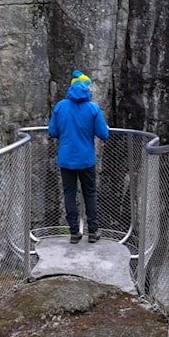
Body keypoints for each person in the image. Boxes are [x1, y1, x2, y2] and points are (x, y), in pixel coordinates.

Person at [48, 70, 110, 243]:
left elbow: (53, 131)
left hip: (66, 159)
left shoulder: (60, 106)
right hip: (86, 160)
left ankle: (74, 232)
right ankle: (93, 231)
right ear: (86, 89)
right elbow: (103, 134)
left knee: (69, 194)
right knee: (89, 194)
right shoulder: (93, 109)